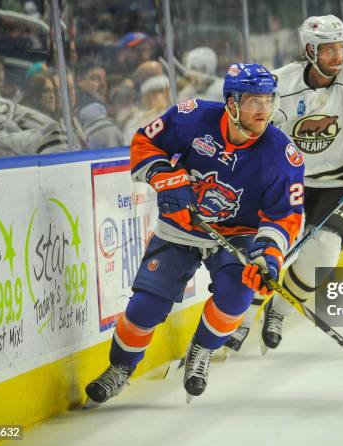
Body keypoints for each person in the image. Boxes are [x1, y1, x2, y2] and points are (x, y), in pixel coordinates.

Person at [84, 63, 304, 404]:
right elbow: (145, 141)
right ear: (231, 103)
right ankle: (121, 368)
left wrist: (269, 256)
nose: (263, 110)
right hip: (181, 227)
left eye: (268, 101)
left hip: (236, 237)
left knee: (236, 299)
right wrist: (164, 177)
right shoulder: (193, 117)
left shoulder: (281, 155)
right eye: (254, 101)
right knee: (145, 308)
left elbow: (284, 216)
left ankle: (200, 350)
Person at [225, 15, 343, 353]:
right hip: (288, 180)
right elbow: (254, 129)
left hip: (339, 181)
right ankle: (240, 319)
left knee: (322, 255)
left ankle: (277, 312)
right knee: (268, 251)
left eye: (341, 47)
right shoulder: (280, 84)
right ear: (310, 50)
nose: (337, 57)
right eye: (328, 50)